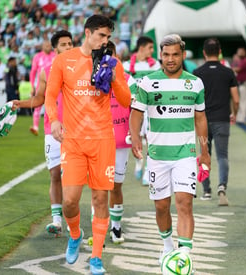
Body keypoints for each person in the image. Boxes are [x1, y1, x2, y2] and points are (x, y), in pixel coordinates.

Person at [44, 15, 131, 274]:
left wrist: (114, 75)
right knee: (70, 201)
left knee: (99, 199)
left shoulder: (112, 63)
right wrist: (54, 120)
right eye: (101, 36)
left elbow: (126, 100)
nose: (105, 41)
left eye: (108, 37)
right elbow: (50, 96)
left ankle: (96, 258)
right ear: (87, 33)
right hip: (72, 141)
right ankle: (75, 234)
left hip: (103, 141)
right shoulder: (63, 61)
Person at [129, 34, 210, 267]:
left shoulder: (195, 83)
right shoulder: (147, 82)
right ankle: (167, 248)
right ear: (160, 56)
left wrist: (204, 151)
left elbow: (201, 117)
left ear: (183, 55)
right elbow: (136, 113)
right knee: (162, 206)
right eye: (166, 55)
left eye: (175, 54)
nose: (171, 59)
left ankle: (184, 257)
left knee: (185, 202)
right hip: (157, 157)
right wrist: (135, 137)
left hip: (185, 155)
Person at [12, 30, 74, 236]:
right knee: (55, 174)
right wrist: (19, 103)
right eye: (63, 45)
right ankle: (57, 221)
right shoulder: (45, 71)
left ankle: (77, 221)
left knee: (74, 179)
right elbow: (39, 98)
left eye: (70, 44)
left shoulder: (80, 68)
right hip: (52, 129)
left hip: (75, 130)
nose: (68, 47)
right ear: (55, 48)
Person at [193, 38, 239, 206]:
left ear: (204, 52)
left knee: (204, 153)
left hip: (203, 121)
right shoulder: (228, 72)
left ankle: (206, 190)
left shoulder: (197, 73)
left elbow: (193, 99)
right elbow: (236, 99)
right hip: (222, 120)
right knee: (223, 156)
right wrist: (234, 113)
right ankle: (222, 186)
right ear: (219, 52)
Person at [106, 40, 138, 244]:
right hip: (97, 140)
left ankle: (116, 227)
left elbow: (136, 108)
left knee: (116, 186)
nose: (108, 57)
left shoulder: (129, 79)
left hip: (120, 141)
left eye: (111, 53)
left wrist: (135, 135)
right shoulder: (90, 79)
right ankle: (98, 226)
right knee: (98, 188)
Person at [123, 35, 161, 184]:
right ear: (141, 48)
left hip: (150, 108)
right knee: (134, 137)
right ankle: (139, 162)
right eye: (150, 48)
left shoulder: (155, 66)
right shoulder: (126, 66)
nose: (152, 51)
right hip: (133, 109)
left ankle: (148, 170)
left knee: (151, 138)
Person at [29, 40, 56, 136]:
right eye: (46, 45)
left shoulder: (55, 55)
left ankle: (54, 125)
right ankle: (35, 127)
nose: (48, 47)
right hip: (41, 85)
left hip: (54, 85)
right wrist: (32, 86)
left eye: (49, 45)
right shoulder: (37, 57)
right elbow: (33, 72)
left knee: (54, 106)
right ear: (42, 46)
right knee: (37, 105)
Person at [231, 47, 246, 123]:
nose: (240, 53)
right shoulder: (237, 61)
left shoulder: (245, 61)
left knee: (243, 101)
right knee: (237, 101)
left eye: (242, 52)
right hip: (237, 84)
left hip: (242, 84)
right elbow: (232, 67)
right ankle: (238, 117)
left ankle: (243, 117)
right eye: (239, 52)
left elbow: (237, 69)